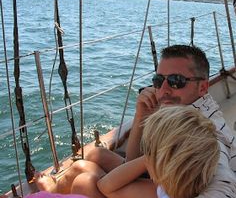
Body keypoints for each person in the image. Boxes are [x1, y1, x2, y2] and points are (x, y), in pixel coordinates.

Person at [35, 44, 236, 197]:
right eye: (158, 81)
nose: (163, 90)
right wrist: (142, 115)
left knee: (83, 178)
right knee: (96, 154)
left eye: (176, 82)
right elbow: (133, 161)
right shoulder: (183, 111)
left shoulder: (205, 135)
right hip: (162, 175)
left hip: (175, 187)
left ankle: (51, 194)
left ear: (202, 87)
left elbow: (224, 185)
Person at [97, 105, 220, 198]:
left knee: (84, 181)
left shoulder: (160, 192)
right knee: (97, 156)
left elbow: (105, 186)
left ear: (164, 164)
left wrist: (147, 160)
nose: (145, 155)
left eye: (147, 150)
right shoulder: (176, 189)